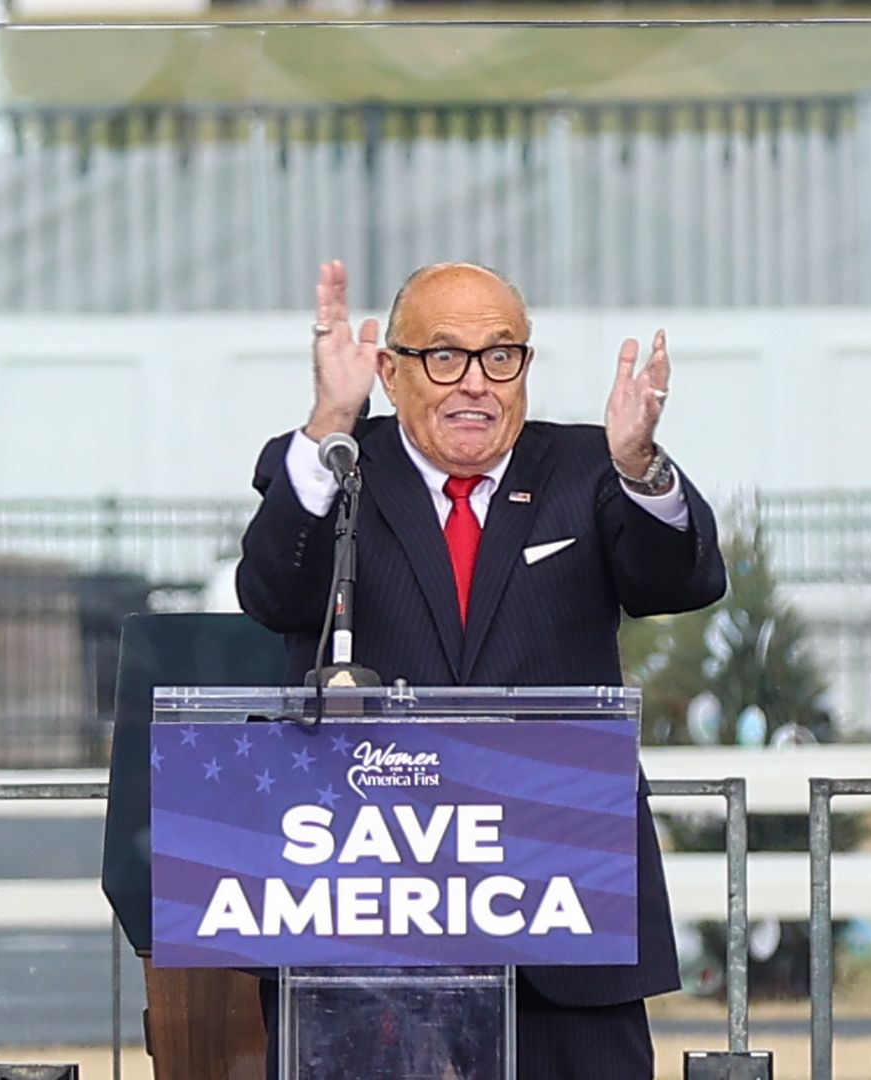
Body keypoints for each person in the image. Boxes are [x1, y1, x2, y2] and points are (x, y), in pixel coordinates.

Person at [236, 259, 728, 1079]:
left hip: (562, 900)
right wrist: (330, 419)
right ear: (390, 372)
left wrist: (642, 465)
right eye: (445, 357)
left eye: (502, 357)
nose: (477, 384)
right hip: (375, 906)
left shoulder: (588, 467)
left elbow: (682, 578)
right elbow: (272, 590)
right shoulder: (342, 466)